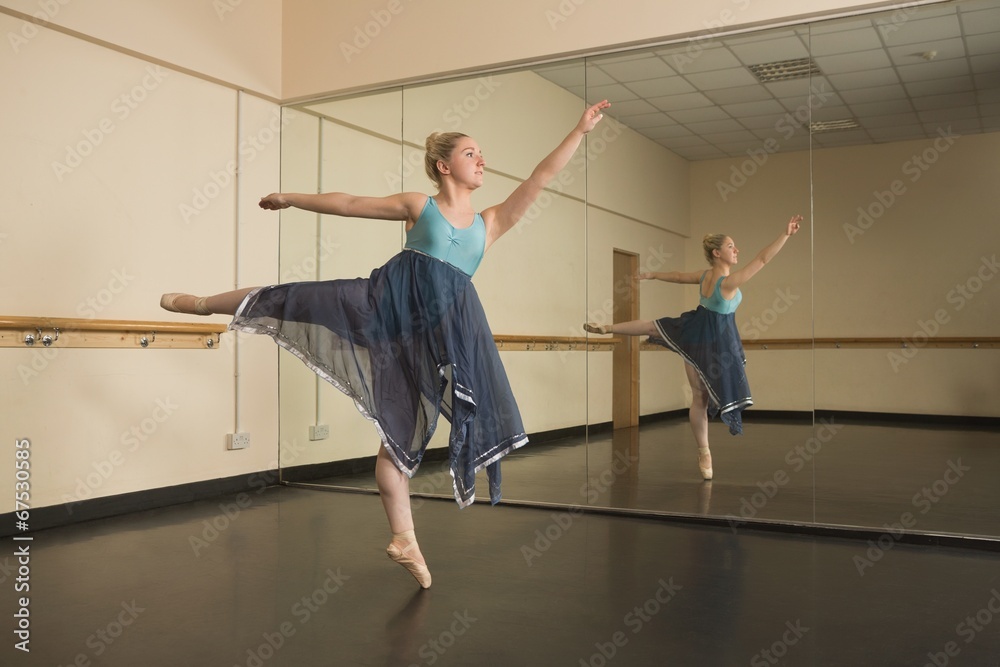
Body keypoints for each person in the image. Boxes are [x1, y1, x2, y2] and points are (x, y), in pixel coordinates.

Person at [160, 99, 612, 588]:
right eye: (471, 153)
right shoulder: (421, 206)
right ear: (444, 166)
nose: (481, 160)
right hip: (378, 306)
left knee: (399, 440)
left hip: (426, 346)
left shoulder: (491, 223)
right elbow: (350, 204)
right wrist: (291, 198)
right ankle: (204, 303)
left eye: (482, 154)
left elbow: (541, 177)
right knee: (292, 296)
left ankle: (405, 540)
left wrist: (580, 130)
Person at [584, 216, 802, 481]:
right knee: (702, 396)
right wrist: (786, 234)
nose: (737, 250)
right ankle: (705, 453)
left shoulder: (705, 276)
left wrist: (652, 274)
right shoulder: (727, 283)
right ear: (717, 253)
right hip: (716, 343)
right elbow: (763, 260)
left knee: (659, 336)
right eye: (732, 246)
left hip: (695, 335)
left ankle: (608, 328)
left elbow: (677, 276)